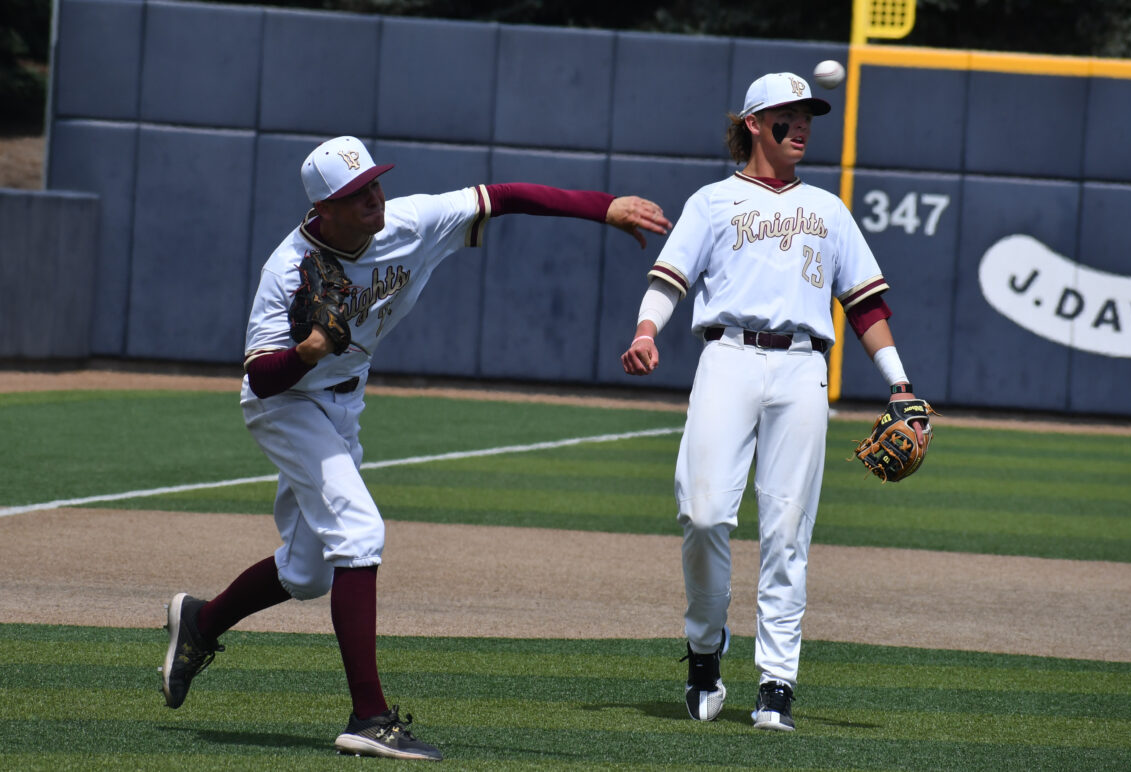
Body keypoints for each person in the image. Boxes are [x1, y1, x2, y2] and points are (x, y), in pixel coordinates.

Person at [160, 135, 672, 761]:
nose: (375, 197)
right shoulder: (286, 270)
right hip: (287, 405)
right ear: (325, 209)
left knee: (307, 572)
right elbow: (260, 375)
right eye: (357, 193)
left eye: (375, 182)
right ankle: (369, 717)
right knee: (359, 533)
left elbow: (504, 196)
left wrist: (603, 207)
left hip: (345, 401)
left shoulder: (410, 221)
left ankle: (200, 623)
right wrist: (308, 352)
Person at [619, 73, 927, 731]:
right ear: (755, 123)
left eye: (808, 114)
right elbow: (668, 279)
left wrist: (900, 384)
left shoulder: (828, 209)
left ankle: (776, 683)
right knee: (702, 514)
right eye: (789, 115)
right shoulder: (713, 201)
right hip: (727, 356)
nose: (803, 124)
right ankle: (706, 647)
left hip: (802, 369)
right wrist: (646, 330)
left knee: (788, 529)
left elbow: (866, 303)